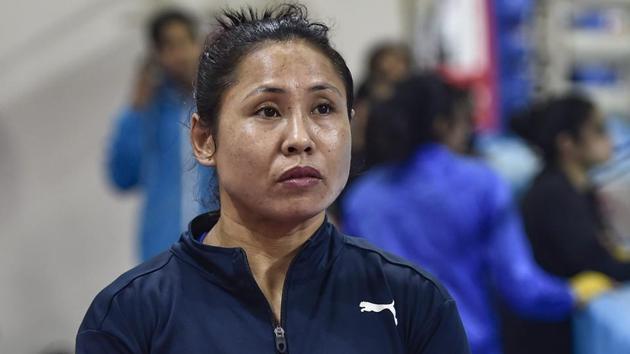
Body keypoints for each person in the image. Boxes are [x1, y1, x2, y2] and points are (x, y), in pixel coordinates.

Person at [77, 5, 471, 353]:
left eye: (323, 107)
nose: (300, 138)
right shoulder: (129, 318)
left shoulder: (413, 302)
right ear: (204, 139)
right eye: (267, 111)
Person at [342, 74, 613, 354]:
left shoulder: (363, 197)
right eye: (463, 122)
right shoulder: (482, 184)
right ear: (443, 124)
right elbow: (521, 287)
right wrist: (572, 294)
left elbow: (354, 292)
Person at [502, 94, 630, 354]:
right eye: (599, 130)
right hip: (545, 337)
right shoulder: (553, 195)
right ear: (567, 144)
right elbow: (596, 262)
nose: (610, 139)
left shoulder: (578, 189)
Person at [106, 8, 218, 261]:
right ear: (157, 56)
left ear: (198, 44)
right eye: (167, 47)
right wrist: (136, 108)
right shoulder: (149, 113)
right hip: (165, 257)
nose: (178, 55)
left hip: (220, 249)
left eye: (183, 43)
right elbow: (122, 178)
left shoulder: (217, 105)